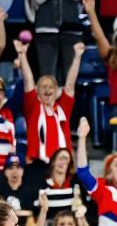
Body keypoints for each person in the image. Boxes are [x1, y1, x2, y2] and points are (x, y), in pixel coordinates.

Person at [13, 38, 81, 169]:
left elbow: (70, 84)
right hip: (38, 167)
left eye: (51, 87)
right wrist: (22, 56)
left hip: (63, 166)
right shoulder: (33, 108)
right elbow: (28, 82)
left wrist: (77, 57)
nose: (47, 90)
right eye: (43, 87)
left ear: (56, 92)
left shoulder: (63, 109)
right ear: (37, 92)